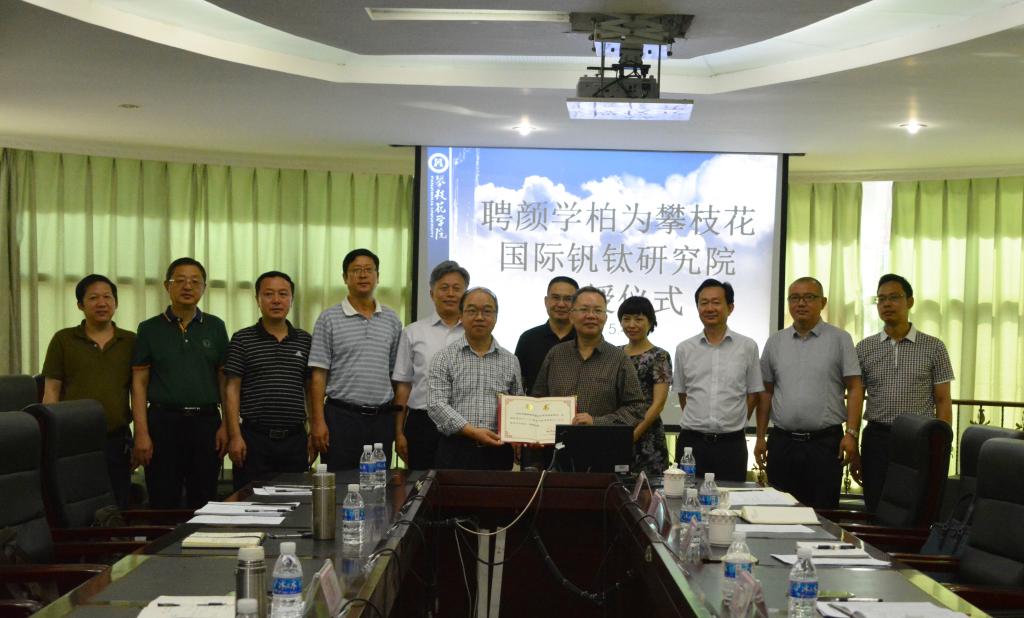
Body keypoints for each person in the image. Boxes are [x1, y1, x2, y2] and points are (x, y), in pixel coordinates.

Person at [756, 277, 864, 509]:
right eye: (795, 298)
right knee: (779, 513)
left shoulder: (840, 339)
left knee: (823, 514)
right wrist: (761, 436)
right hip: (782, 443)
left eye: (809, 297)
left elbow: (855, 387)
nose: (801, 303)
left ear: (822, 302)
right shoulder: (775, 342)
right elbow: (766, 392)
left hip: (824, 444)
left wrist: (852, 434)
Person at [131, 258, 229, 508]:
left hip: (206, 423)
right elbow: (139, 384)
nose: (188, 286)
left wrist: (227, 425)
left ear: (204, 288)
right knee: (162, 498)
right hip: (163, 423)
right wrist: (141, 432)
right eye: (180, 280)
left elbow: (224, 381)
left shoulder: (216, 327)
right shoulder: (149, 328)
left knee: (205, 500)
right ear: (167, 286)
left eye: (195, 281)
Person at [856, 273, 954, 512]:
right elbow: (856, 397)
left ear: (910, 301)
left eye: (894, 297)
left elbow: (943, 400)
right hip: (877, 438)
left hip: (918, 439)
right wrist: (852, 438)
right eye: (881, 299)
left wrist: (942, 444)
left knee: (916, 506)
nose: (887, 304)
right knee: (876, 503)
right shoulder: (864, 348)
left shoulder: (934, 347)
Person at [42, 274, 136, 508]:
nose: (101, 303)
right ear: (80, 305)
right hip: (73, 439)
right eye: (93, 298)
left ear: (116, 303)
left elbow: (139, 390)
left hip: (117, 438)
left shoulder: (131, 341)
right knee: (77, 504)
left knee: (118, 504)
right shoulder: (63, 339)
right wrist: (50, 436)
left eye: (107, 297)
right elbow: (51, 390)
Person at [308, 248, 402, 471]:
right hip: (341, 418)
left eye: (369, 270)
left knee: (378, 483)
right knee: (341, 483)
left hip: (381, 420)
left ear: (377, 277)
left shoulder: (391, 319)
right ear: (345, 277)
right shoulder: (328, 318)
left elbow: (395, 375)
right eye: (356, 270)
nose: (363, 275)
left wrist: (397, 427)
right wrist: (317, 423)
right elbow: (319, 374)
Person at [223, 271, 312, 490]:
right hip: (254, 439)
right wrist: (235, 436)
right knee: (250, 501)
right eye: (268, 294)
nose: (276, 300)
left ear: (291, 299)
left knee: (295, 501)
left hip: (295, 439)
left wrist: (313, 429)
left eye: (283, 294)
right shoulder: (242, 339)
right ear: (257, 299)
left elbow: (311, 389)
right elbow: (232, 389)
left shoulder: (304, 340)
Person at [673, 279, 764, 482]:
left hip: (731, 445)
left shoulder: (747, 347)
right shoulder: (684, 349)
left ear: (730, 307)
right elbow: (683, 395)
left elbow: (754, 394)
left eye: (716, 302)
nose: (709, 308)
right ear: (697, 308)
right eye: (703, 303)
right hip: (692, 444)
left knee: (730, 498)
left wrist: (736, 420)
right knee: (687, 497)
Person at [428, 287, 523, 470]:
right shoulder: (444, 357)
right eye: (472, 311)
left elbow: (517, 403)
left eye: (487, 311)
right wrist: (471, 431)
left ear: (496, 316)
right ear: (461, 315)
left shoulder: (511, 360)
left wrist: (521, 435)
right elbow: (436, 404)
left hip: (498, 450)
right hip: (456, 449)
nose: (479, 317)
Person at [532, 286, 646, 436]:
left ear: (605, 318)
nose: (591, 316)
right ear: (571, 316)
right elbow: (538, 399)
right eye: (584, 310)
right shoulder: (556, 354)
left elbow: (636, 408)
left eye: (598, 311)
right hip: (556, 445)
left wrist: (597, 422)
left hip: (602, 445)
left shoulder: (619, 359)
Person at [392, 260, 469, 470]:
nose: (450, 294)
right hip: (422, 423)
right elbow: (404, 385)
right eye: (444, 288)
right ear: (431, 293)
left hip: (464, 423)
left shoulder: (475, 334)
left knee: (460, 483)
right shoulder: (413, 332)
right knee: (420, 483)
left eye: (457, 288)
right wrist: (398, 432)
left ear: (466, 294)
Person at [617, 296, 672, 476]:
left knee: (648, 490)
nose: (631, 325)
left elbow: (658, 404)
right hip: (616, 431)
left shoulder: (659, 356)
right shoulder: (614, 354)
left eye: (638, 319)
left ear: (650, 322)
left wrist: (633, 435)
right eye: (626, 319)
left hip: (648, 435)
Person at [514, 276, 579, 393]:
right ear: (546, 301)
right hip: (534, 405)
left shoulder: (584, 339)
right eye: (555, 298)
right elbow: (518, 384)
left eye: (568, 299)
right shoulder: (528, 339)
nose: (561, 304)